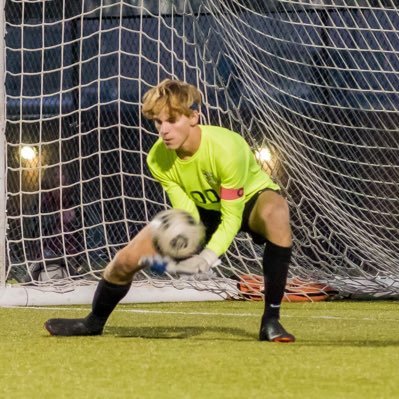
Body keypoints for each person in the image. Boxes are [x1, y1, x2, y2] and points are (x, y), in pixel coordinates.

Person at [44, 79, 295, 342]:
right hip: (203, 210)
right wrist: (186, 244)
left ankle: (271, 321)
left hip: (249, 202)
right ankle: (93, 322)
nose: (164, 130)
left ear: (194, 117)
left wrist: (208, 257)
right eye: (158, 122)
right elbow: (187, 213)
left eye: (172, 120)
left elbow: (231, 216)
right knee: (126, 259)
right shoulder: (157, 158)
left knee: (276, 212)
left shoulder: (227, 148)